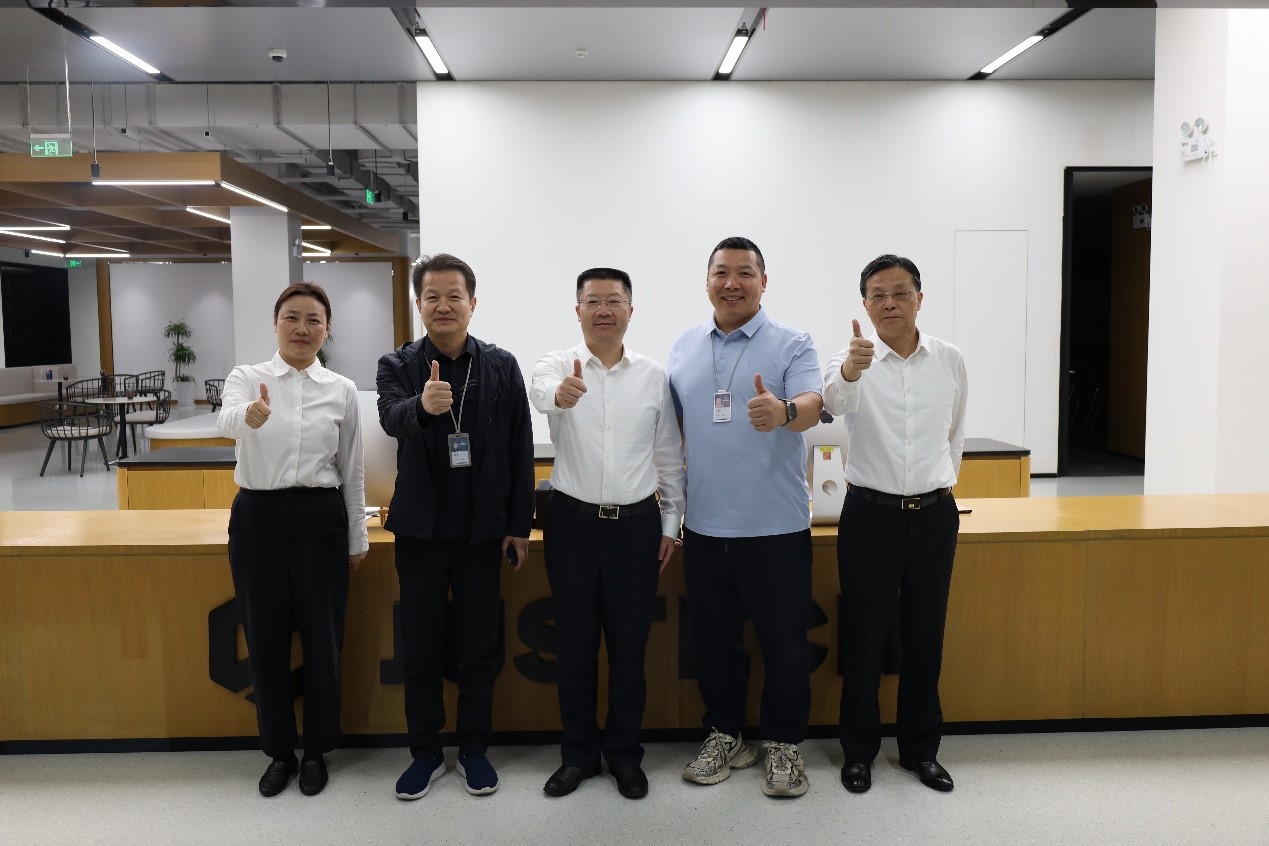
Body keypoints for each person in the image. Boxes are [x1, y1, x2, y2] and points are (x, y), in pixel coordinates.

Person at [667, 236, 824, 798]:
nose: (732, 283)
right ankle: (726, 734)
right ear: (707, 280)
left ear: (763, 281)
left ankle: (783, 743)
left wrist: (784, 411)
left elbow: (813, 406)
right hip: (705, 528)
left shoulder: (792, 342)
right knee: (715, 646)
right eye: (721, 272)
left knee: (785, 646)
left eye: (744, 272)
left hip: (776, 527)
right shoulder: (684, 346)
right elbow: (673, 431)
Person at [376, 253, 534, 800]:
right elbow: (390, 418)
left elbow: (520, 447)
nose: (443, 306)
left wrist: (519, 524)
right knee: (419, 648)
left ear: (472, 302)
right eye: (432, 297)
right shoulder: (397, 364)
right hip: (420, 532)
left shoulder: (502, 365)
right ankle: (424, 752)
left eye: (454, 296)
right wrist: (421, 407)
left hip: (482, 532)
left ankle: (473, 749)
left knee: (478, 649)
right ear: (418, 304)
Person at [529, 267, 685, 800]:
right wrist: (561, 394)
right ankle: (578, 755)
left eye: (613, 301)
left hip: (636, 528)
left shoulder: (654, 376)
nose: (603, 310)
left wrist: (671, 524)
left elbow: (669, 456)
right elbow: (540, 392)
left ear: (630, 311)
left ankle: (623, 754)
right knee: (574, 647)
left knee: (628, 648)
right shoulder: (556, 365)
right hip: (571, 524)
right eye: (592, 301)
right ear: (578, 310)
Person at [822, 254, 967, 795]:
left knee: (926, 634)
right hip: (870, 515)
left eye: (900, 292)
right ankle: (858, 752)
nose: (889, 303)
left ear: (919, 298)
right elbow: (834, 404)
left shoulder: (949, 359)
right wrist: (851, 370)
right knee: (863, 636)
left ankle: (920, 750)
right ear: (865, 305)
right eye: (878, 295)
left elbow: (955, 431)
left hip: (933, 514)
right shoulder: (851, 360)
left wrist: (940, 485)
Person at [218, 281, 368, 798]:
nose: (302, 328)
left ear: (327, 329)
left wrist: (356, 537)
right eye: (292, 318)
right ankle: (279, 752)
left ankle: (318, 751)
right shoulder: (247, 377)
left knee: (323, 640)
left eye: (313, 320)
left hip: (320, 519)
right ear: (276, 323)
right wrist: (249, 417)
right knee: (265, 640)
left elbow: (351, 469)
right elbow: (226, 420)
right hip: (257, 518)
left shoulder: (341, 389)